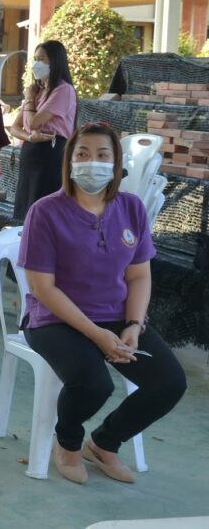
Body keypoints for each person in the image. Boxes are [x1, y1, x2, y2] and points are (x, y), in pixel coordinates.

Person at [19, 123, 186, 485]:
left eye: (102, 155)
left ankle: (104, 443)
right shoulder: (45, 212)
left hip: (116, 315)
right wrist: (96, 334)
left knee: (169, 382)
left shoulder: (131, 208)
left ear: (115, 164)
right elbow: (42, 288)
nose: (91, 162)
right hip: (55, 319)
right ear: (69, 161)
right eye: (82, 154)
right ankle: (68, 442)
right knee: (94, 384)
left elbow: (139, 276)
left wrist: (133, 326)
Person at [11, 39, 78, 220]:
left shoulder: (63, 90)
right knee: (26, 213)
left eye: (41, 59)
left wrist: (28, 99)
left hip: (51, 154)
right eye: (35, 59)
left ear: (55, 61)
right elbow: (15, 128)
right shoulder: (37, 91)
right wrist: (30, 138)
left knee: (44, 212)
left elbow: (33, 123)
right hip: (31, 151)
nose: (36, 64)